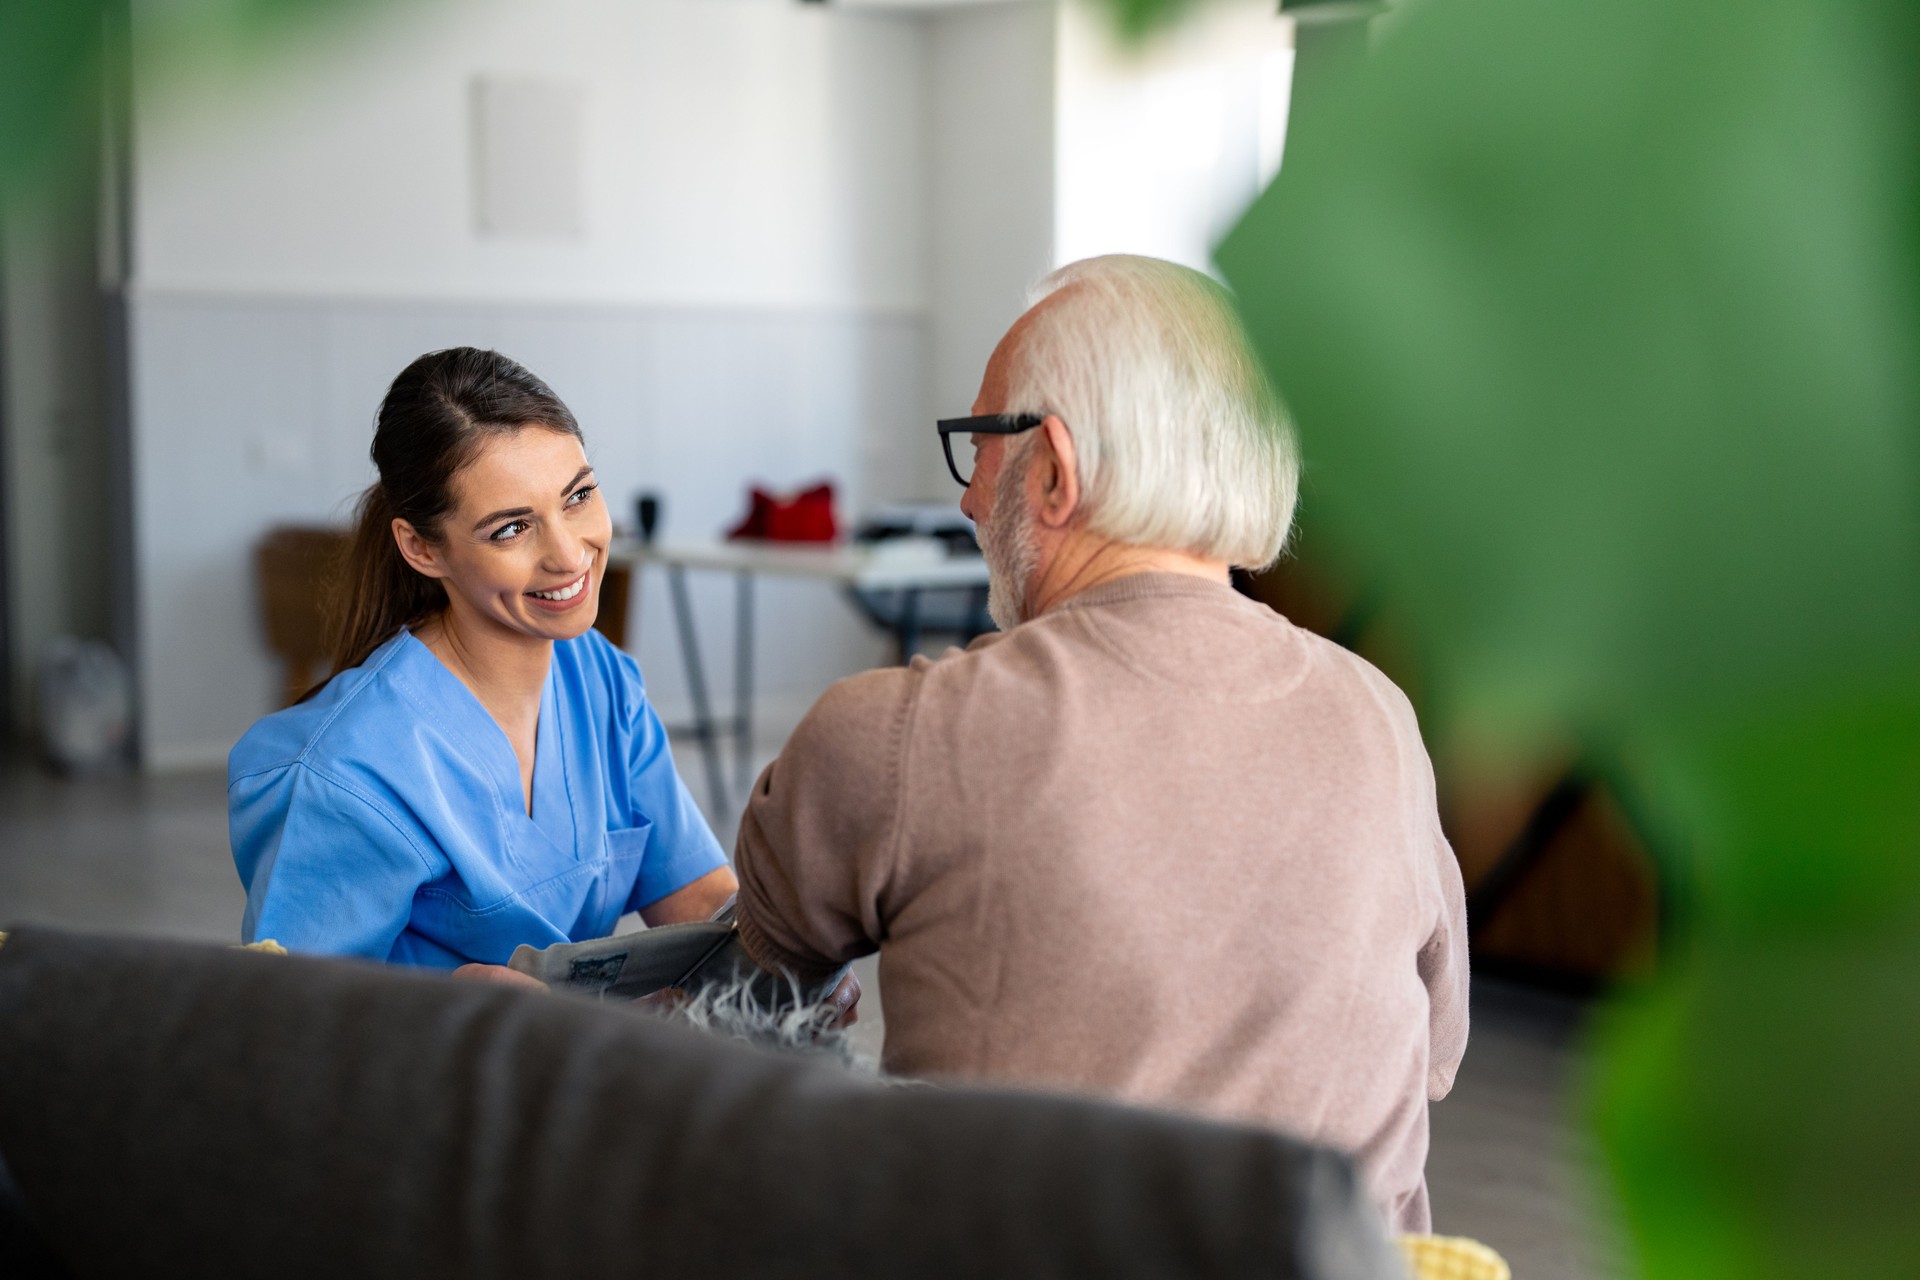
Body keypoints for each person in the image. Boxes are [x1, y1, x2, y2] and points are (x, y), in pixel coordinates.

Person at [730, 255, 1470, 1232]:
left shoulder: (896, 733)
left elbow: (752, 993)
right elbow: (1440, 1051)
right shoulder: (1381, 718)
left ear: (1052, 470)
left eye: (980, 444)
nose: (965, 499)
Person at [229, 348, 735, 967]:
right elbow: (294, 1026)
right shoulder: (344, 773)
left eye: (577, 496)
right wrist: (452, 1012)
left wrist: (784, 963)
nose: (570, 555)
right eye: (511, 529)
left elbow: (698, 895)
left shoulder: (599, 677)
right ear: (421, 548)